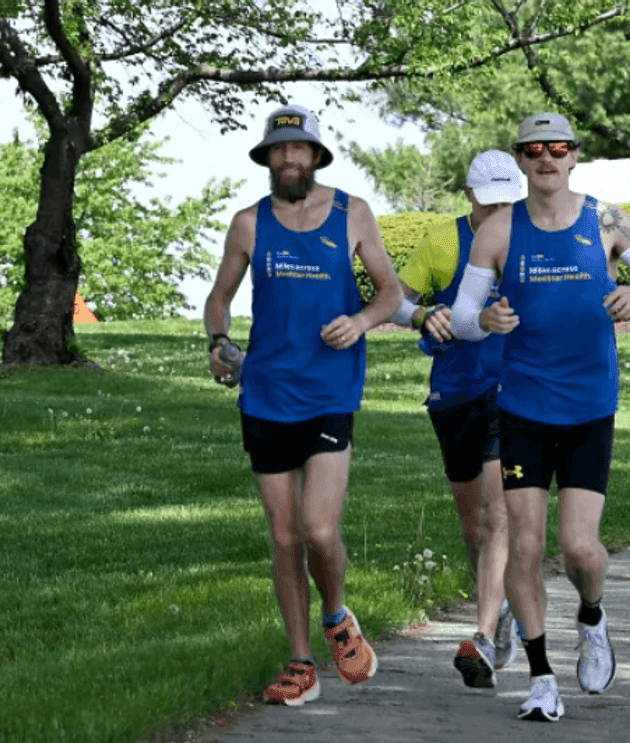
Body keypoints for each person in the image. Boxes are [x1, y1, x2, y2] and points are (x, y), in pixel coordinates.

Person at [449, 113, 630, 722]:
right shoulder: (498, 229)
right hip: (522, 408)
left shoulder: (606, 220)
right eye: (534, 150)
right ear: (521, 160)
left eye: (557, 148)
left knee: (580, 548)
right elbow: (465, 316)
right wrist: (486, 321)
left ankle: (592, 616)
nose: (546, 159)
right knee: (525, 544)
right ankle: (541, 677)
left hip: (588, 408)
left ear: (575, 155)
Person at [204, 104, 402, 707]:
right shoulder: (248, 224)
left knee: (318, 528)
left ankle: (336, 616)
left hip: (329, 392)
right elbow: (218, 299)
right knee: (286, 538)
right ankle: (300, 663)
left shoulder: (351, 213)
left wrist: (360, 321)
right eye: (279, 149)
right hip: (266, 392)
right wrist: (218, 342)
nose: (289, 158)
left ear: (315, 155)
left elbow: (390, 291)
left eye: (299, 148)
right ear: (267, 157)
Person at [388, 150, 522, 689]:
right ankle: (500, 609)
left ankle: (483, 635)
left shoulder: (533, 240)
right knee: (474, 527)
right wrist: (422, 315)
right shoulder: (443, 242)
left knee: (498, 515)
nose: (498, 213)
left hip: (513, 391)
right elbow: (393, 299)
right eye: (489, 204)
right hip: (454, 392)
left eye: (507, 203)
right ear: (468, 196)